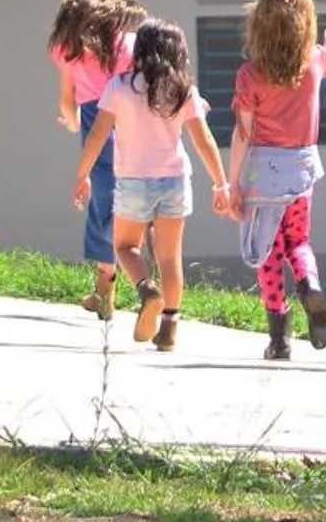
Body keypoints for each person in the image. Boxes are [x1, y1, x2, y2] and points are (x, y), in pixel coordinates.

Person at [73, 21, 233, 352]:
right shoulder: (183, 90)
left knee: (125, 247)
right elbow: (203, 140)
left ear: (140, 50)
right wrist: (221, 184)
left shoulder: (119, 86)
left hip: (133, 181)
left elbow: (98, 134)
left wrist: (82, 174)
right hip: (175, 181)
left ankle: (147, 290)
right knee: (170, 257)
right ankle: (169, 330)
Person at [228, 0, 326, 361]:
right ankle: (310, 283)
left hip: (262, 171)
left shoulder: (250, 75)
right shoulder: (313, 64)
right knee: (299, 242)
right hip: (302, 169)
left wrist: (232, 184)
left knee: (267, 253)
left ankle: (279, 337)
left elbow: (243, 134)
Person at [48, 0, 145, 319]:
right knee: (129, 202)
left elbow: (65, 102)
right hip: (134, 126)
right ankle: (114, 289)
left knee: (103, 206)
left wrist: (72, 122)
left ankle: (112, 291)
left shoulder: (68, 49)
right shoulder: (132, 45)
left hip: (94, 125)